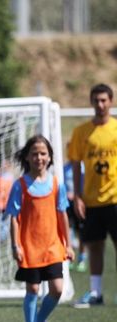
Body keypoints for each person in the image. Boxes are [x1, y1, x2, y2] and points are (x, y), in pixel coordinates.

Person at [7, 135, 74, 322]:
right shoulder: (20, 185)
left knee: (57, 289)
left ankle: (39, 321)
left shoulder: (56, 184)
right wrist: (15, 246)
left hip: (52, 246)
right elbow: (14, 218)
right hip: (29, 247)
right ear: (27, 157)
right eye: (34, 153)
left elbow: (62, 215)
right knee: (33, 289)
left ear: (50, 157)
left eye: (43, 153)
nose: (39, 157)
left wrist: (68, 244)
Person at [69, 83, 117, 307]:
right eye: (96, 100)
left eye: (104, 100)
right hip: (91, 200)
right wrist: (78, 196)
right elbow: (75, 165)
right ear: (91, 102)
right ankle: (96, 293)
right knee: (94, 246)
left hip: (115, 198)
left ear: (111, 101)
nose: (100, 104)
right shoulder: (81, 132)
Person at [63, 157, 87, 272]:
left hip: (80, 202)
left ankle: (82, 258)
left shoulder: (82, 167)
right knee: (68, 229)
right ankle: (70, 257)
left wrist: (78, 196)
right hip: (68, 202)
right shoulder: (65, 168)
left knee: (81, 231)